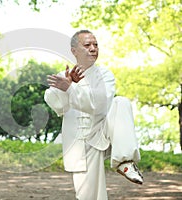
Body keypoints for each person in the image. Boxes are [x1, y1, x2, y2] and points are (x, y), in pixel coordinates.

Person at [44, 30, 143, 200]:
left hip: (101, 133)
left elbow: (100, 104)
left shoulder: (105, 75)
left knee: (122, 102)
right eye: (87, 45)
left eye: (95, 45)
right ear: (74, 51)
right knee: (89, 196)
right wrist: (68, 86)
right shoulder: (63, 77)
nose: (93, 48)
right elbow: (56, 104)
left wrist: (71, 89)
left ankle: (125, 162)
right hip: (78, 143)